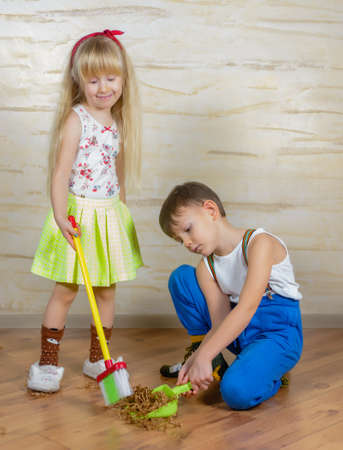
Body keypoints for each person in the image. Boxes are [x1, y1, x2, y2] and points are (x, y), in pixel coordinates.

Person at [27, 29, 143, 392]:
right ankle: (47, 364)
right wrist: (61, 217)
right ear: (79, 81)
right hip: (77, 216)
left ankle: (98, 358)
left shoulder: (118, 123)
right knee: (66, 290)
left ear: (123, 79)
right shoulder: (77, 119)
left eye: (111, 78)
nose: (103, 87)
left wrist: (119, 210)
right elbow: (61, 173)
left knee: (106, 292)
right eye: (93, 80)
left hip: (107, 216)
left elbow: (116, 170)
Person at [158, 181, 303, 410]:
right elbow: (219, 323)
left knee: (235, 392)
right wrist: (196, 361)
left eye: (187, 230)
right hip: (238, 334)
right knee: (182, 278)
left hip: (276, 335)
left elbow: (246, 308)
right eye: (180, 240)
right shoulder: (206, 268)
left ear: (211, 210)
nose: (186, 243)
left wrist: (205, 356)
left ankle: (273, 373)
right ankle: (220, 363)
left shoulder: (259, 244)